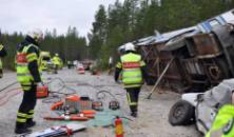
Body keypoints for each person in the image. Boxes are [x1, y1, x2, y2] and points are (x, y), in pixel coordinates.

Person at [15, 29, 44, 134]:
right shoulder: (31, 48)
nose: (40, 40)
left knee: (32, 101)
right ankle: (19, 126)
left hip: (24, 78)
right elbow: (32, 65)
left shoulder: (23, 46)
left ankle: (28, 121)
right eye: (39, 38)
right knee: (27, 102)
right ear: (35, 36)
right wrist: (38, 79)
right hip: (29, 78)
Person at [114, 42, 147, 117]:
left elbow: (117, 69)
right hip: (138, 81)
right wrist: (147, 79)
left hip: (128, 82)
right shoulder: (138, 57)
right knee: (136, 96)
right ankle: (135, 110)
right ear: (133, 49)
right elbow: (144, 68)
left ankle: (133, 111)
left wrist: (116, 78)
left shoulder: (122, 58)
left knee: (130, 96)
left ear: (126, 50)